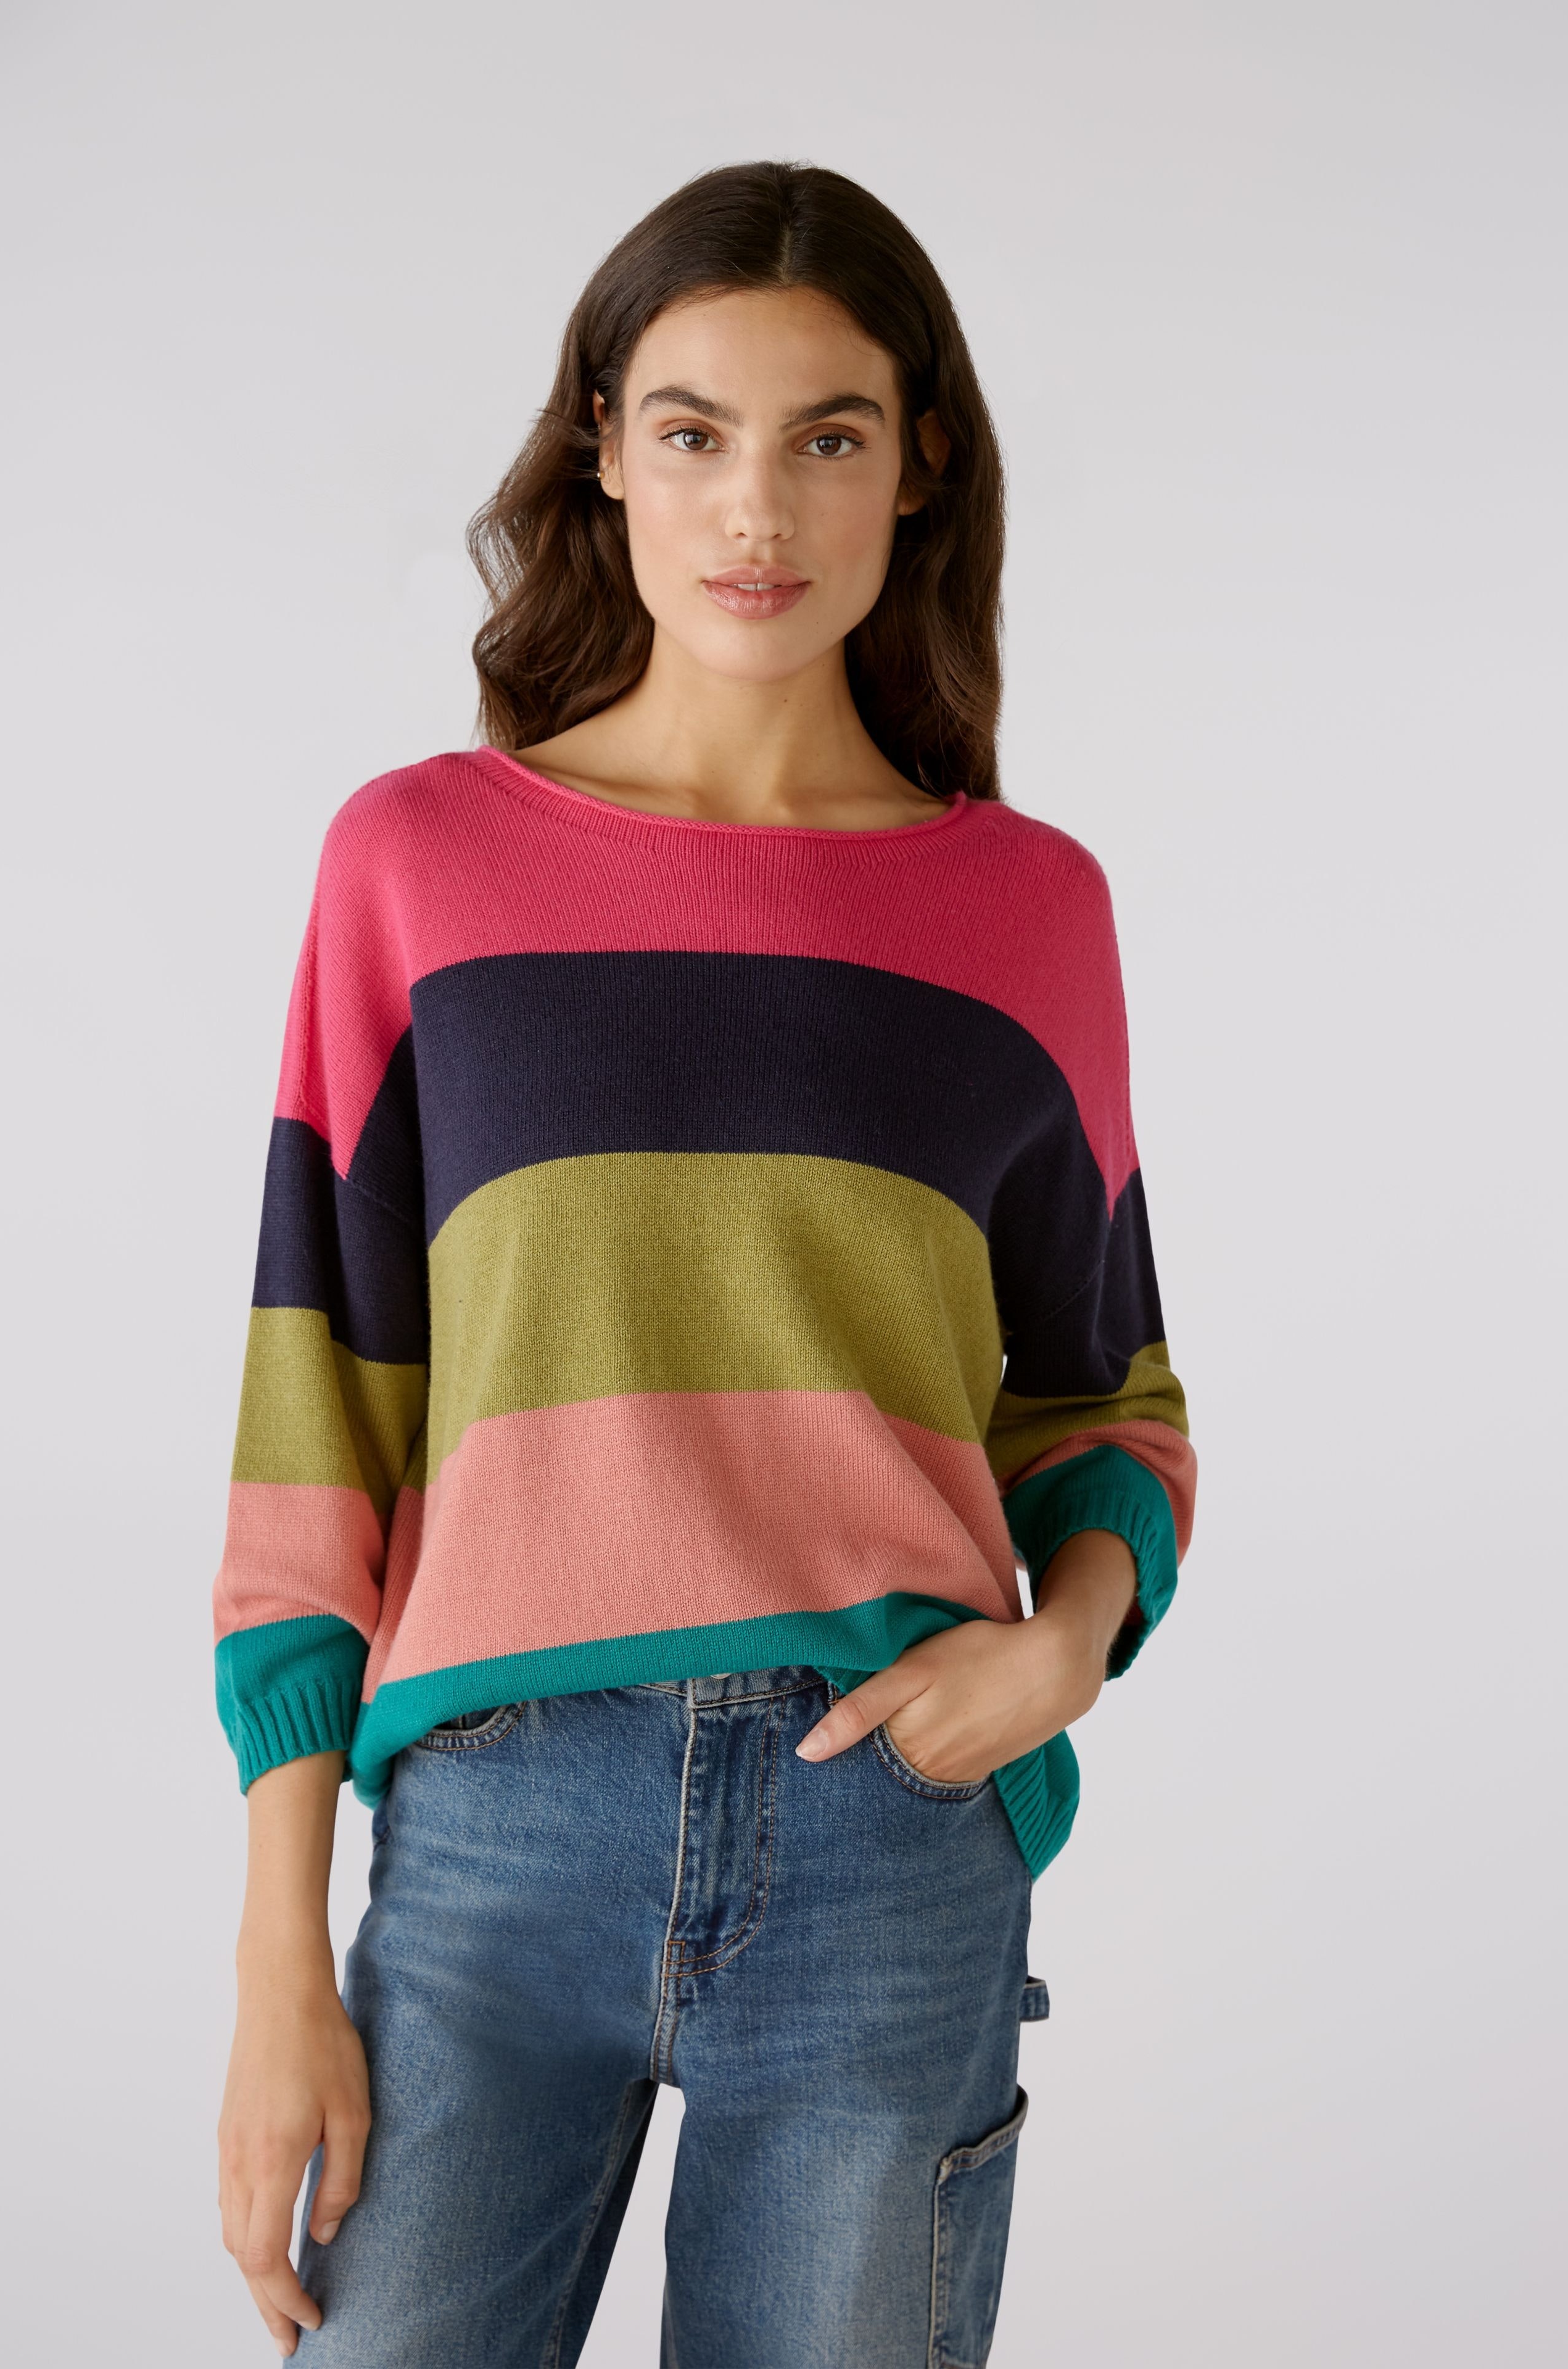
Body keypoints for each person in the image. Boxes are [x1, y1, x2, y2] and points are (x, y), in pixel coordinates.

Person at [213, 160, 1195, 2368]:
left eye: (828, 436)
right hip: (491, 1833)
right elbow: (318, 1416)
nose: (759, 507)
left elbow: (1107, 1397)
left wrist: (1064, 1651)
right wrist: (279, 1954)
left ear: (919, 466)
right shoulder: (418, 867)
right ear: (603, 450)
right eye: (693, 431)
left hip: (888, 1831)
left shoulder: (1028, 909)